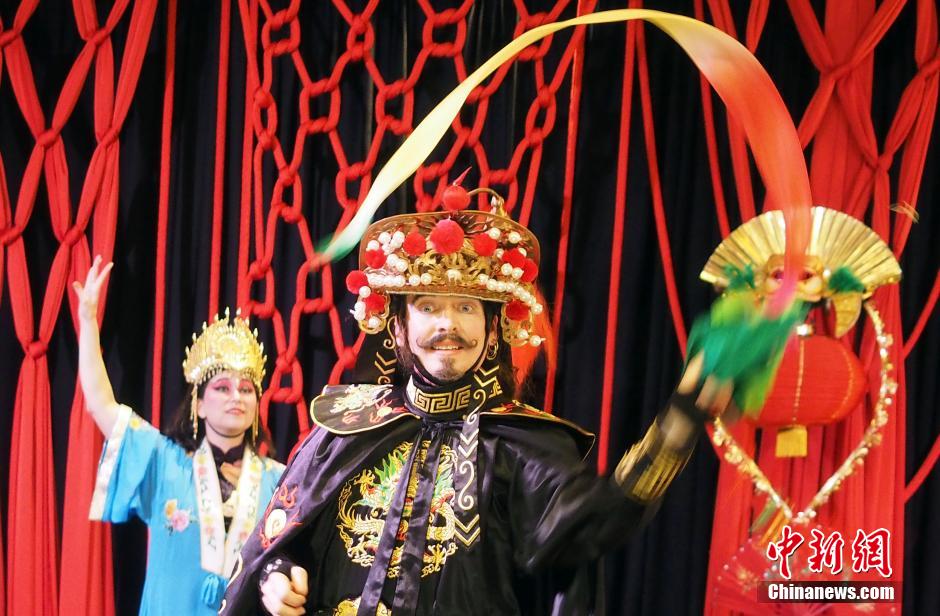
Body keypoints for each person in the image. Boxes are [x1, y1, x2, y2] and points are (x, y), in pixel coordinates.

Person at [220, 193, 761, 616]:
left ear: (493, 327)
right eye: (428, 306)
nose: (447, 325)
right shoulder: (347, 428)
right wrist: (276, 577)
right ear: (398, 327)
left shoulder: (520, 443)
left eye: (465, 307)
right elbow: (281, 540)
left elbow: (598, 521)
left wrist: (681, 420)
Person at [75, 256, 285, 616]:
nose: (236, 397)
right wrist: (87, 321)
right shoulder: (163, 461)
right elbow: (100, 404)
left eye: (246, 389)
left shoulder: (279, 481)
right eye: (222, 387)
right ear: (199, 405)